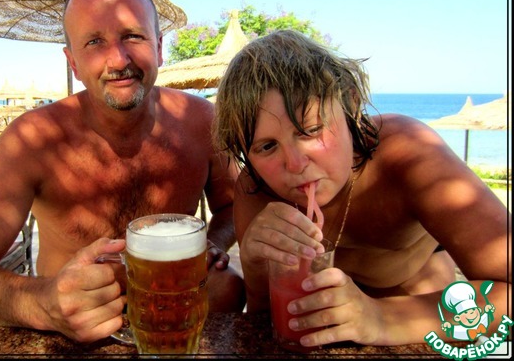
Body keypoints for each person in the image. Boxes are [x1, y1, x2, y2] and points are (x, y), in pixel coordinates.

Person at [0, 0, 246, 343]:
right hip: (71, 335)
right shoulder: (34, 139)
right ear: (73, 62)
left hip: (175, 322)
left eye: (133, 36)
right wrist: (43, 302)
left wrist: (211, 243)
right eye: (94, 42)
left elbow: (233, 205)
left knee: (227, 287)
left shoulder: (200, 121)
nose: (118, 59)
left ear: (159, 47)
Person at [212, 30, 510, 347]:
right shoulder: (256, 191)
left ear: (350, 103)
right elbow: (263, 321)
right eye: (267, 146)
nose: (295, 164)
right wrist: (256, 263)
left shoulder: (408, 154)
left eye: (310, 129)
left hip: (422, 325)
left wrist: (381, 317)